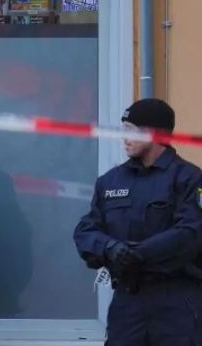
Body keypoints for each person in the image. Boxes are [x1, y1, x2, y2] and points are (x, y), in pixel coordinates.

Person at [74, 98, 202, 345]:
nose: (124, 137)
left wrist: (137, 254)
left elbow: (191, 233)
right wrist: (110, 248)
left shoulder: (189, 179)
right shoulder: (110, 182)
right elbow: (85, 231)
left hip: (176, 301)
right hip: (128, 301)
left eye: (130, 130)